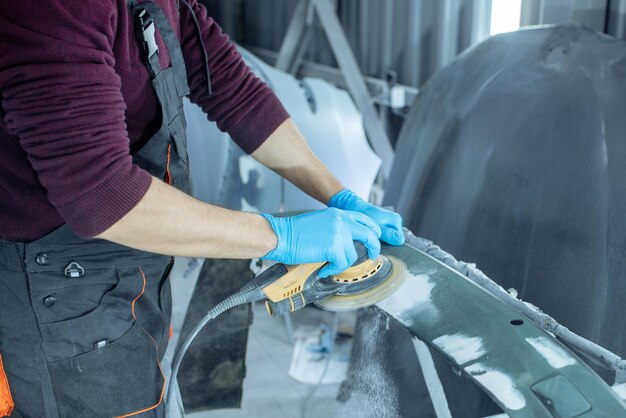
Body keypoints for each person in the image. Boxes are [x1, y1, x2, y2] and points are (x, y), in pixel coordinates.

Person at [0, 0, 404, 417]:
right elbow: (102, 195)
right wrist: (280, 238)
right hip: (58, 295)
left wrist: (338, 195)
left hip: (129, 268)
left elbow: (233, 88)